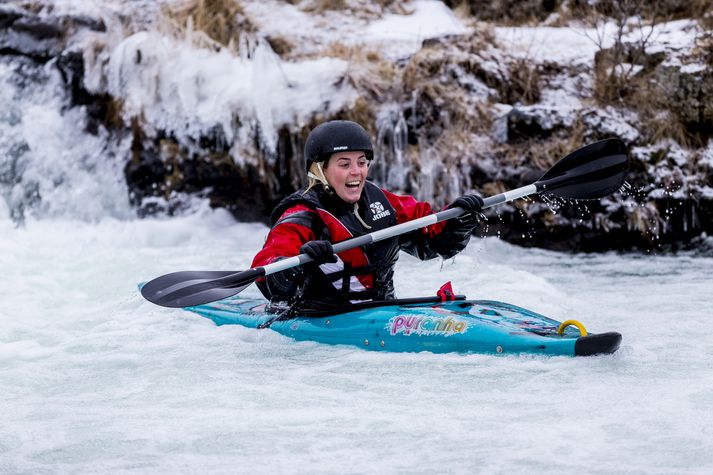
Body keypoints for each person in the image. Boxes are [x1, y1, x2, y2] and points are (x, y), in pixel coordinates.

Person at [251, 120, 484, 312]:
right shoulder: (302, 215)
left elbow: (432, 241)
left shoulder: (382, 202)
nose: (356, 172)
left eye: (362, 162)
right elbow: (268, 269)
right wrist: (298, 264)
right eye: (345, 164)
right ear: (319, 170)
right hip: (318, 320)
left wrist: (459, 220)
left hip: (383, 312)